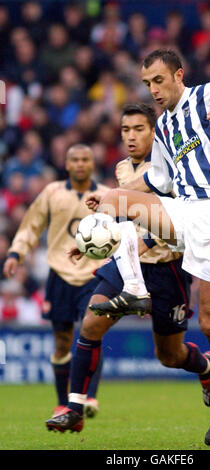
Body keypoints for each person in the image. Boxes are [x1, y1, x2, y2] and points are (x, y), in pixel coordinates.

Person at [85, 49, 210, 445]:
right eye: (146, 84)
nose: (153, 90)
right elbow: (157, 180)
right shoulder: (166, 125)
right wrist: (108, 195)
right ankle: (135, 291)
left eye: (158, 80)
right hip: (186, 211)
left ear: (178, 75)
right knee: (118, 200)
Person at [45, 103, 210, 433]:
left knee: (169, 355)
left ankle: (206, 368)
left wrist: (151, 243)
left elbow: (183, 219)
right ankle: (74, 409)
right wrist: (86, 241)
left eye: (138, 129)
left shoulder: (171, 169)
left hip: (168, 269)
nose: (130, 136)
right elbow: (122, 216)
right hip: (128, 266)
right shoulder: (123, 169)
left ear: (154, 132)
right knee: (90, 323)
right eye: (125, 130)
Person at [3, 144, 106, 418]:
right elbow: (31, 225)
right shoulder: (52, 193)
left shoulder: (107, 196)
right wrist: (16, 253)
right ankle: (63, 402)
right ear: (67, 164)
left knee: (91, 331)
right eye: (75, 159)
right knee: (62, 342)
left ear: (92, 163)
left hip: (94, 275)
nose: (81, 164)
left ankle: (89, 397)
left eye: (86, 159)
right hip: (59, 274)